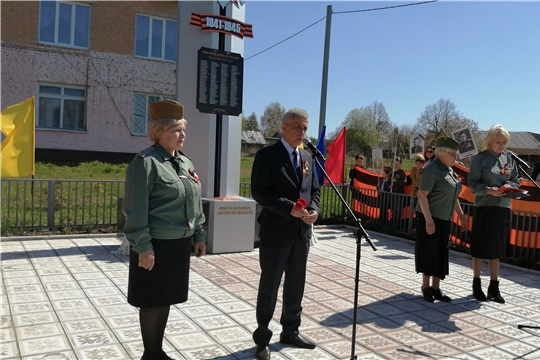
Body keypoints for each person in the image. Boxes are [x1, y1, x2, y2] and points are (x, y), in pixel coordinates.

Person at [123, 100, 206, 360]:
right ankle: (150, 354)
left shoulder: (185, 162)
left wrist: (199, 235)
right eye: (176, 130)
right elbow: (135, 209)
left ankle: (157, 351)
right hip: (155, 244)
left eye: (183, 130)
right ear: (159, 132)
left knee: (166, 297)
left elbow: (194, 203)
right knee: (151, 299)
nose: (183, 135)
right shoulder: (145, 162)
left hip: (178, 245)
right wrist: (143, 247)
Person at [250, 108, 320, 360]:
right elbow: (259, 192)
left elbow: (314, 192)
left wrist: (314, 210)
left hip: (301, 233)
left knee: (295, 284)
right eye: (297, 127)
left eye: (305, 127)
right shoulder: (267, 155)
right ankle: (262, 338)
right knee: (270, 284)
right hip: (276, 231)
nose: (302, 132)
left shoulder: (308, 158)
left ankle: (290, 330)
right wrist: (288, 208)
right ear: (284, 128)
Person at [468, 125, 520, 304]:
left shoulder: (508, 159)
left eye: (504, 142)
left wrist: (510, 187)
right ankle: (476, 283)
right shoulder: (479, 159)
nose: (501, 145)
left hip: (502, 207)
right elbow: (472, 184)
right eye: (497, 142)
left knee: (497, 249)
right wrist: (488, 190)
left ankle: (494, 285)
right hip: (484, 207)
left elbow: (515, 179)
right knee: (481, 247)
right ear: (489, 142)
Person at [415, 137, 466, 303]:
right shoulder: (432, 170)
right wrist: (429, 220)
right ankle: (426, 286)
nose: (455, 157)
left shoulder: (449, 171)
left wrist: (461, 216)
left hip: (444, 218)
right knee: (429, 252)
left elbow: (454, 195)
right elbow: (422, 195)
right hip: (430, 217)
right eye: (452, 154)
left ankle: (436, 288)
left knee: (441, 253)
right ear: (442, 154)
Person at [389, 157, 407, 228]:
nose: (396, 165)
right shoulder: (391, 173)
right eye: (394, 163)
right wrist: (389, 186)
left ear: (400, 164)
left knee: (398, 210)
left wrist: (396, 181)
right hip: (392, 194)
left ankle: (398, 225)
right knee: (393, 209)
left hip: (399, 194)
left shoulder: (402, 173)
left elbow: (404, 183)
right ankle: (392, 224)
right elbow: (388, 183)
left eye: (397, 163)